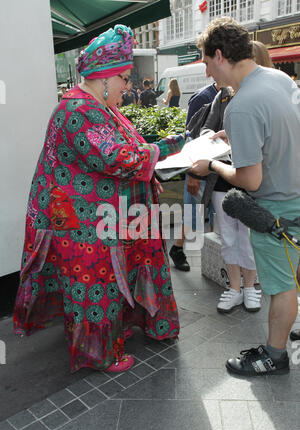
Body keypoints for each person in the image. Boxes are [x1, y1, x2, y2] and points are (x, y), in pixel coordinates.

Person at [13, 24, 185, 374]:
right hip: (80, 220)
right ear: (105, 77)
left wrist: (164, 146)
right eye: (123, 77)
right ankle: (98, 353)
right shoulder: (78, 110)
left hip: (105, 213)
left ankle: (133, 326)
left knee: (112, 276)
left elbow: (128, 150)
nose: (128, 86)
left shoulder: (101, 107)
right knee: (94, 283)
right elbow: (117, 158)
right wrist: (172, 146)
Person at [191, 17, 300, 376]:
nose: (207, 73)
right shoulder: (278, 78)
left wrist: (213, 166)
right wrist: (234, 136)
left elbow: (250, 180)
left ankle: (275, 355)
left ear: (220, 56)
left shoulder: (241, 105)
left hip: (277, 208)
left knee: (282, 288)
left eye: (206, 63)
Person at [169, 82, 218, 271]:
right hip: (200, 169)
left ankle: (217, 259)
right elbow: (190, 138)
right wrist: (193, 174)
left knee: (217, 216)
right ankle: (177, 248)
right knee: (193, 216)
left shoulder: (230, 93)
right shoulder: (203, 97)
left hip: (219, 168)